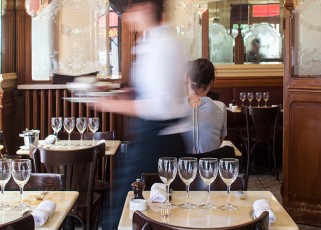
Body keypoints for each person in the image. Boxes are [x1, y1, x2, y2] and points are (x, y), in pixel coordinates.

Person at [93, 0, 188, 227]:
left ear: (145, 8)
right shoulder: (153, 42)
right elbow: (153, 92)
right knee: (129, 208)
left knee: (126, 211)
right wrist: (125, 94)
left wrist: (108, 105)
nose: (126, 17)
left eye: (130, 11)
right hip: (150, 137)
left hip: (159, 140)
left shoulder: (164, 46)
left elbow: (160, 106)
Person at [184, 58, 227, 154]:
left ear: (187, 77)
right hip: (209, 166)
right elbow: (217, 144)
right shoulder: (221, 107)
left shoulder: (176, 107)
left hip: (181, 166)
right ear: (212, 82)